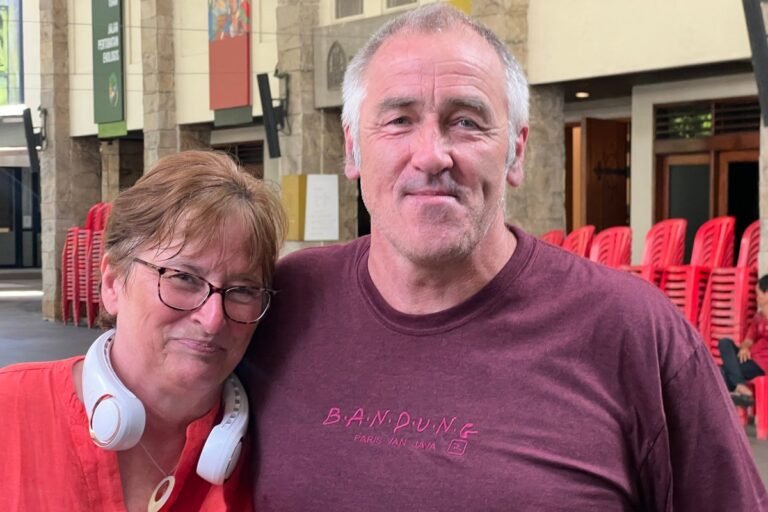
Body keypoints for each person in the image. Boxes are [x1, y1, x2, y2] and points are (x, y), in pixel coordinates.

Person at [243, 4, 767, 511]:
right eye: (399, 119)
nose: (431, 155)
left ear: (516, 151)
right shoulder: (281, 304)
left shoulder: (632, 332)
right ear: (353, 148)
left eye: (466, 122)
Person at [0, 150, 286, 511]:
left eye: (243, 290)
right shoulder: (10, 412)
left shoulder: (278, 455)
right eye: (183, 278)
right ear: (112, 283)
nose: (213, 319)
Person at [719, 274, 768, 407]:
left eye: (758, 294)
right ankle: (740, 387)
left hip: (761, 363)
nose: (756, 298)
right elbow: (748, 339)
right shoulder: (758, 317)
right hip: (748, 357)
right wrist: (745, 347)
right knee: (724, 342)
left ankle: (740, 391)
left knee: (721, 372)